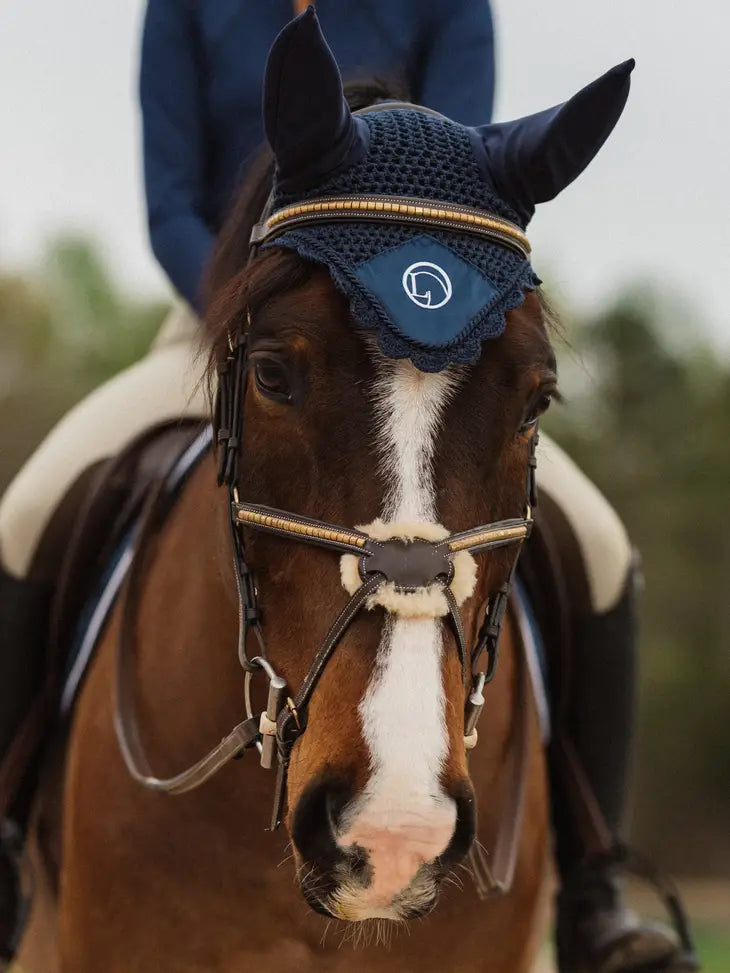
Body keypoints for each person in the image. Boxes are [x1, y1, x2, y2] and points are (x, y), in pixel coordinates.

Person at [0, 3, 689, 970]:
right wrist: (248, 329)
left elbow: (457, 178)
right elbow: (170, 202)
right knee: (28, 512)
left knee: (602, 547)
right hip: (238, 322)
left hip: (417, 348)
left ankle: (593, 889)